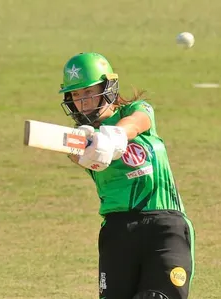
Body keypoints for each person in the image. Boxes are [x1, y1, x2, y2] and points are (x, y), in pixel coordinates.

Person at [58, 52, 196, 299]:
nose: (84, 101)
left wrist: (114, 136)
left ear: (108, 87)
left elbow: (136, 122)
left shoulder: (137, 110)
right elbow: (77, 153)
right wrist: (86, 144)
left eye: (89, 91)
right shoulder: (81, 138)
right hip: (118, 230)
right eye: (76, 95)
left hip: (165, 225)